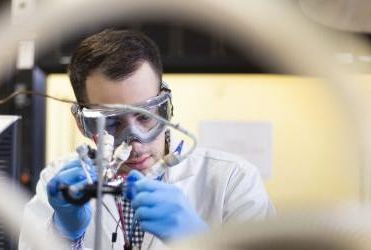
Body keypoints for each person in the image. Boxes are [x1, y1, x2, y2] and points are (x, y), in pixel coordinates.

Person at [19, 29, 275, 250]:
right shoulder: (59, 182)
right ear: (83, 124)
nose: (136, 142)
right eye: (112, 122)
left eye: (145, 116)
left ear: (166, 108)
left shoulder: (232, 180)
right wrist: (64, 233)